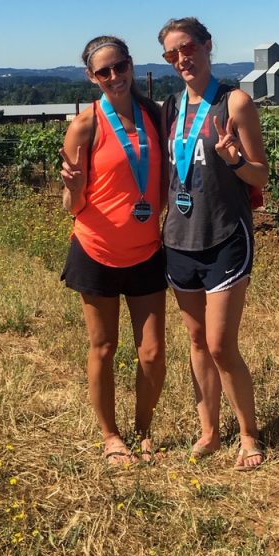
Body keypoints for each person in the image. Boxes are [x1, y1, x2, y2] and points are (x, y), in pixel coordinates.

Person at [158, 17, 269, 470]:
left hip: (225, 236)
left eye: (188, 48)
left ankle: (248, 434)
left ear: (207, 46)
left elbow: (261, 175)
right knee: (198, 341)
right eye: (171, 54)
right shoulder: (170, 108)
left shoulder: (235, 103)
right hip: (179, 240)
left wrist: (235, 159)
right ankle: (209, 431)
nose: (182, 58)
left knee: (222, 344)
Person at [59, 35, 167, 466]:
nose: (114, 77)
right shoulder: (84, 126)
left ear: (131, 66)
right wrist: (72, 189)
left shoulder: (156, 117)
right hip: (96, 249)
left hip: (146, 250)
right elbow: (73, 205)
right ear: (91, 77)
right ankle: (110, 436)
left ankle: (144, 431)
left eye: (119, 67)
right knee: (103, 347)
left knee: (153, 351)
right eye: (103, 72)